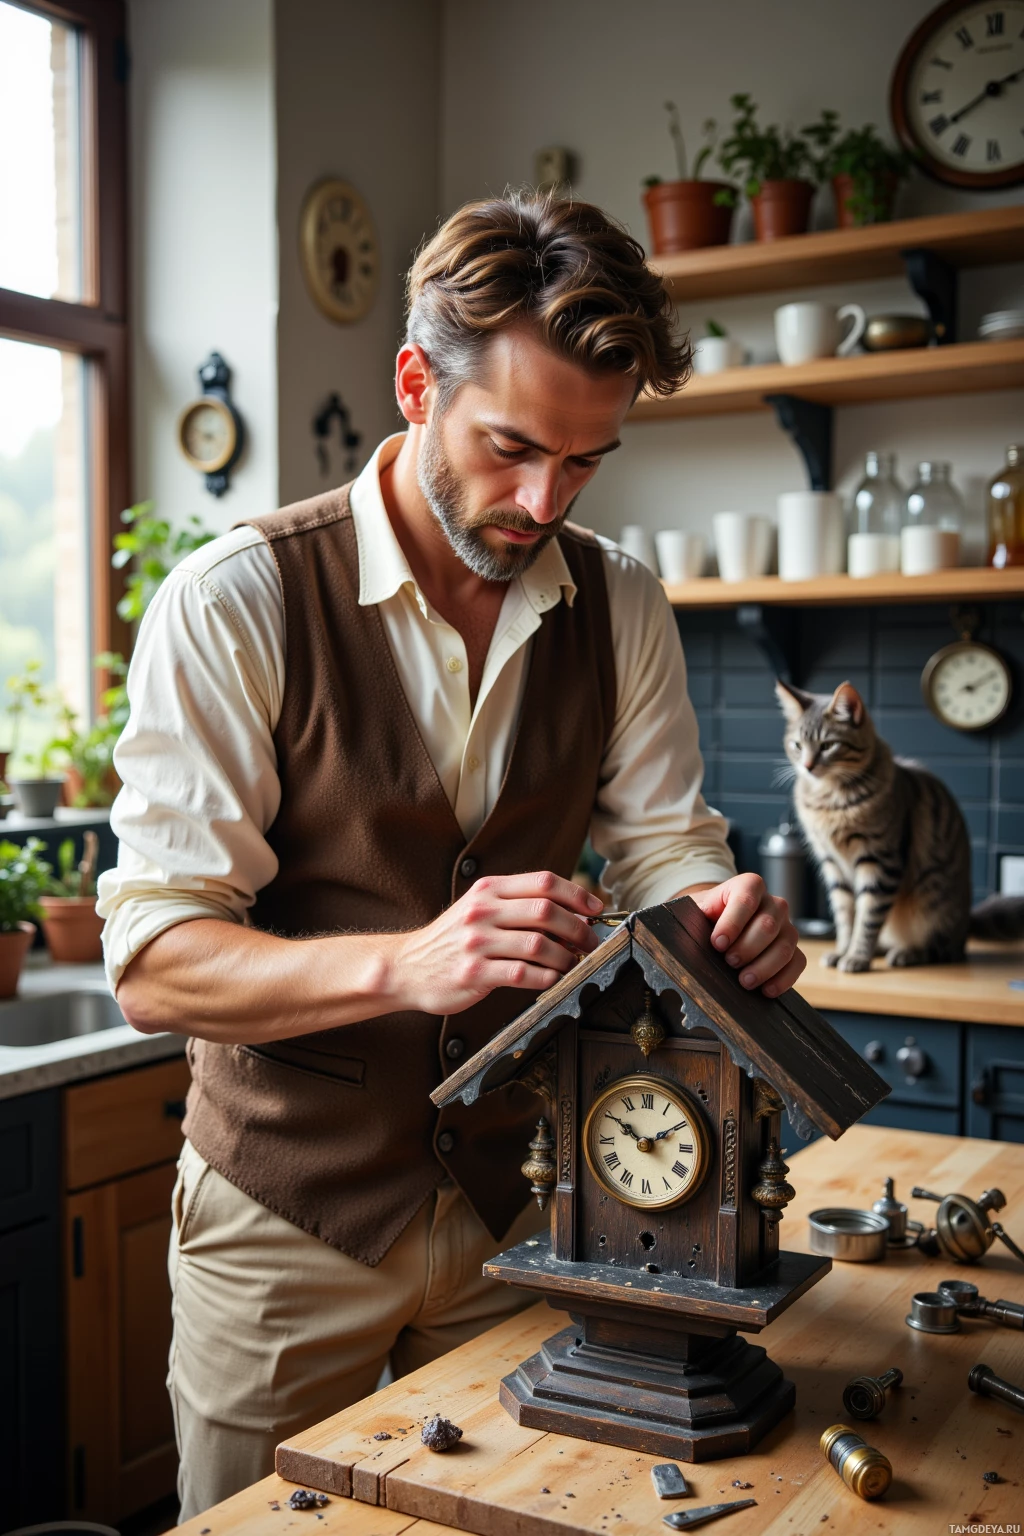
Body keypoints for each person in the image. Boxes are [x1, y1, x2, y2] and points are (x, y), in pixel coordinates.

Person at [99, 192, 804, 1520]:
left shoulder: (623, 604)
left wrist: (725, 920)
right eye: (511, 447)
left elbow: (666, 854)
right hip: (284, 1222)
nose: (543, 500)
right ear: (416, 384)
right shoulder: (238, 600)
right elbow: (153, 964)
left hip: (525, 1209)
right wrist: (412, 962)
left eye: (587, 462)